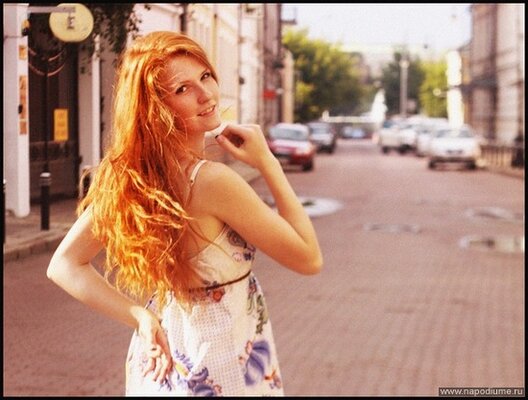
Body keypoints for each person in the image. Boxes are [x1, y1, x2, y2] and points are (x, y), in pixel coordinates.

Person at [47, 31, 322, 396]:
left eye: (205, 76)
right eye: (182, 89)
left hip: (167, 360)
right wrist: (267, 163)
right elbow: (308, 258)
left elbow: (64, 264)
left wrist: (140, 317)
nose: (206, 94)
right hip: (218, 362)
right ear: (156, 107)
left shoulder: (133, 177)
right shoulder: (212, 181)